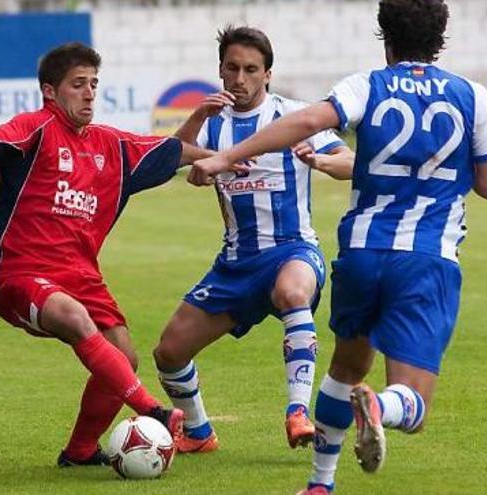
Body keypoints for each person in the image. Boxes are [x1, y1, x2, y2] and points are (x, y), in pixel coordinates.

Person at [192, 1, 487, 492]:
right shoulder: (472, 96)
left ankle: (321, 484)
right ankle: (380, 407)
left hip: (362, 254)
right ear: (441, 37)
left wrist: (228, 157)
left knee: (344, 369)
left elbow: (306, 122)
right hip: (425, 258)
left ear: (385, 35)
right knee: (412, 402)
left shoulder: (366, 85)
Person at [0, 42, 234, 467]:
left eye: (94, 84)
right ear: (50, 92)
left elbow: (173, 152)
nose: (89, 93)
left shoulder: (112, 146)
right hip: (22, 273)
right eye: (78, 84)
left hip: (82, 276)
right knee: (75, 319)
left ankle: (79, 452)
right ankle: (153, 411)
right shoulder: (36, 128)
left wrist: (227, 158)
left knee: (124, 355)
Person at [151, 25, 354, 454]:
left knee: (293, 291)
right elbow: (167, 159)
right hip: (236, 264)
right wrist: (196, 119)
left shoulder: (295, 117)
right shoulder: (213, 125)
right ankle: (200, 432)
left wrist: (317, 160)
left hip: (293, 250)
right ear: (221, 72)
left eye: (250, 69)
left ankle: (298, 413)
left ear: (267, 74)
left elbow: (351, 162)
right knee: (169, 352)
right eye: (232, 68)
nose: (240, 79)